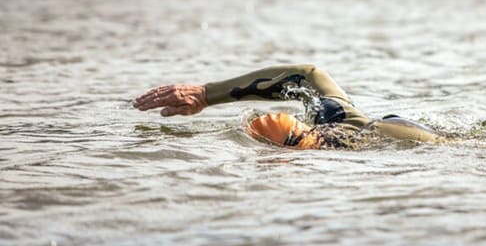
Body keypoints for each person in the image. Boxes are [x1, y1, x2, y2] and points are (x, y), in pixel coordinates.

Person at [133, 64, 441, 149]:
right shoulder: (329, 116)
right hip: (363, 125)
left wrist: (206, 94)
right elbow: (306, 75)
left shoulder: (348, 144)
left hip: (395, 135)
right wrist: (203, 94)